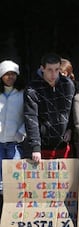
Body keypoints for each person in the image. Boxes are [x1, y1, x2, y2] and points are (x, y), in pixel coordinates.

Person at [24, 53, 76, 162]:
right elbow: (31, 118)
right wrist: (35, 147)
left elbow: (72, 110)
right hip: (43, 145)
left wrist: (70, 128)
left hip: (64, 143)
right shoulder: (32, 89)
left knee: (65, 178)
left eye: (57, 69)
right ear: (42, 68)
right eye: (50, 70)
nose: (54, 74)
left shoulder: (68, 84)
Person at [0, 60, 25, 193]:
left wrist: (21, 132)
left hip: (14, 143)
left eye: (13, 74)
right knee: (0, 182)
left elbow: (28, 117)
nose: (10, 77)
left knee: (14, 179)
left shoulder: (23, 93)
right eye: (6, 74)